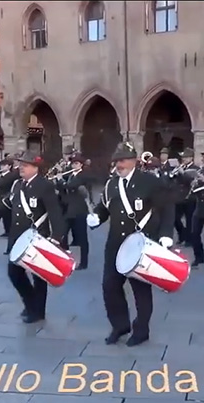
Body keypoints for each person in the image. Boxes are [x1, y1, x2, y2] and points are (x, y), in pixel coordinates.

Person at [86, 142, 174, 347]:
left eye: (123, 159)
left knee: (140, 290)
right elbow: (104, 208)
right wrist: (97, 218)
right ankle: (120, 325)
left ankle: (141, 330)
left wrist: (166, 234)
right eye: (117, 160)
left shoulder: (149, 182)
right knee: (110, 286)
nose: (119, 164)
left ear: (134, 160)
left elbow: (167, 207)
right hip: (116, 244)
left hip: (141, 245)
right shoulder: (111, 185)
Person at [6, 150, 65, 323]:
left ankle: (38, 311)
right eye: (20, 165)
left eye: (25, 165)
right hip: (18, 237)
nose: (21, 168)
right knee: (14, 273)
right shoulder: (18, 185)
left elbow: (55, 212)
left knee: (39, 277)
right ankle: (30, 302)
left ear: (35, 167)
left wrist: (56, 236)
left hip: (37, 237)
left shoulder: (44, 185)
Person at [56, 153, 91, 270]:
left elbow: (70, 186)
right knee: (63, 234)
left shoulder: (83, 175)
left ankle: (84, 262)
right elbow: (62, 188)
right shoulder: (71, 174)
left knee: (82, 238)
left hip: (79, 210)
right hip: (69, 209)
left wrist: (61, 181)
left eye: (76, 163)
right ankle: (66, 258)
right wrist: (57, 180)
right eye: (73, 163)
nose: (74, 165)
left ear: (81, 164)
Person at [168, 148, 198, 245]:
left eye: (186, 157)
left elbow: (191, 181)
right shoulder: (181, 167)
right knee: (175, 218)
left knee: (189, 220)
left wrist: (183, 173)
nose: (184, 159)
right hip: (179, 197)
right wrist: (174, 174)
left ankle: (189, 239)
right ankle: (182, 234)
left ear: (191, 158)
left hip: (190, 197)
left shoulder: (195, 168)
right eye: (183, 157)